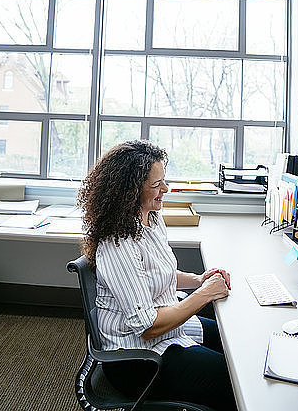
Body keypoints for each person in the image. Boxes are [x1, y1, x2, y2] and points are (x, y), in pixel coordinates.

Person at [77, 140, 236, 411]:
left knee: (232, 343)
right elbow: (149, 326)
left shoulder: (150, 218)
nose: (165, 189)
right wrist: (203, 295)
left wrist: (198, 280)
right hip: (137, 359)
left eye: (164, 180)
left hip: (164, 332)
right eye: (156, 185)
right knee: (232, 378)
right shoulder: (118, 243)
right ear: (130, 191)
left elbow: (156, 273)